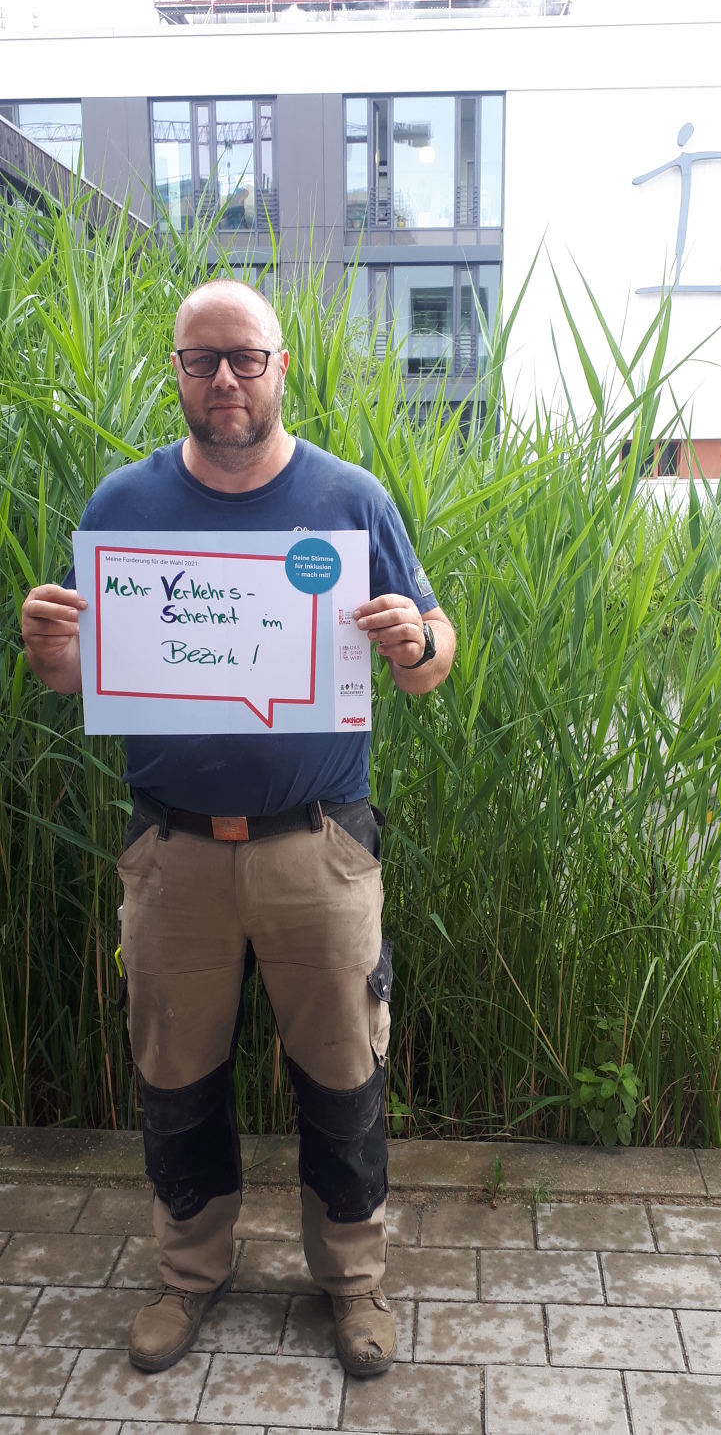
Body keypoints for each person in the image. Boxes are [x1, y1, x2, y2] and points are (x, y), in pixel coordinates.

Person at [21, 278, 455, 1378]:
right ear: (175, 370)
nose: (223, 379)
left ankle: (353, 1285)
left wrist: (417, 640)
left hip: (319, 849)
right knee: (174, 1077)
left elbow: (432, 662)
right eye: (200, 359)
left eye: (243, 359)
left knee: (344, 1077)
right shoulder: (122, 506)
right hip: (170, 856)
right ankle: (186, 1275)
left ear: (279, 366)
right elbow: (80, 674)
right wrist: (48, 649)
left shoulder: (352, 497)